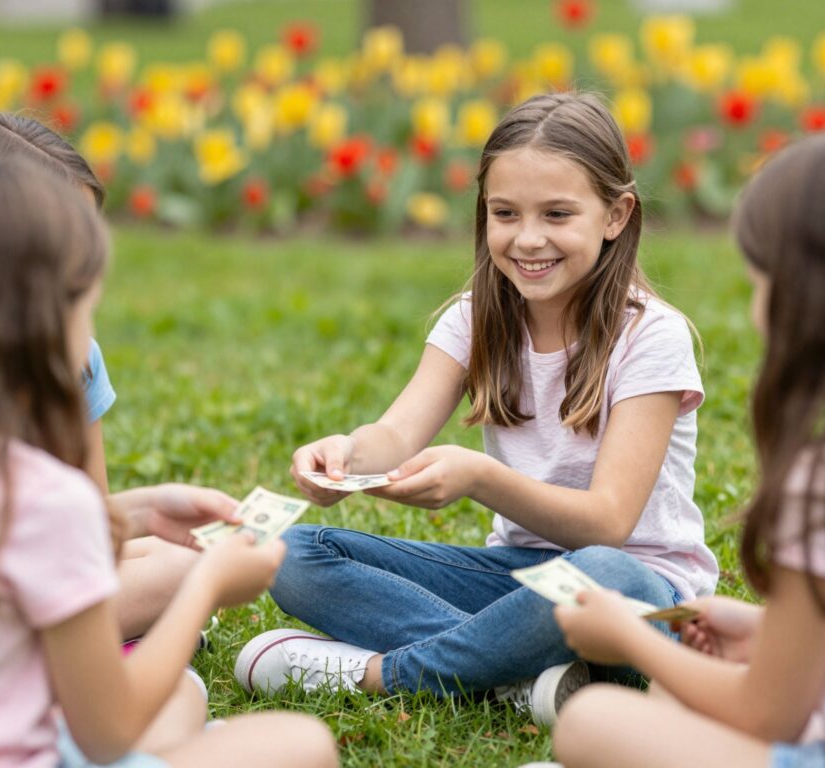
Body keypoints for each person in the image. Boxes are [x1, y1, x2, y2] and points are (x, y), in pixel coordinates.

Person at [235, 92, 718, 726]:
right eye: (505, 213)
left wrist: (481, 478)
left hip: (639, 595)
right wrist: (346, 454)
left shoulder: (651, 336)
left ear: (616, 214)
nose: (528, 239)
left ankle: (379, 675)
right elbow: (395, 432)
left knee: (604, 572)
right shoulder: (474, 319)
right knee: (292, 552)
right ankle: (515, 673)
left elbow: (607, 525)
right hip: (514, 581)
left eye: (557, 214)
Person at [548, 127, 825, 767]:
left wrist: (630, 639)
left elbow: (766, 713)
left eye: (761, 282)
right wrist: (764, 631)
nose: (756, 308)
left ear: (808, 301)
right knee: (680, 693)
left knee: (592, 721)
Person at [0, 150, 339, 768]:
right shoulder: (40, 500)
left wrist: (137, 512)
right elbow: (106, 734)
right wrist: (207, 584)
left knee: (184, 704)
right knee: (304, 746)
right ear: (49, 317)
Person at [0, 113, 226, 642]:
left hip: (37, 576)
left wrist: (150, 513)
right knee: (184, 578)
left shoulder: (80, 359)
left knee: (177, 557)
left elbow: (87, 523)